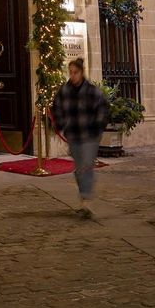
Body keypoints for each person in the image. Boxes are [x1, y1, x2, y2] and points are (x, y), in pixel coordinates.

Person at [50, 58, 108, 219]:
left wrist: (98, 126)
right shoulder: (64, 91)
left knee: (87, 165)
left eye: (75, 72)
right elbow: (56, 108)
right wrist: (61, 123)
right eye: (70, 73)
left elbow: (102, 108)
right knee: (79, 167)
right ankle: (84, 198)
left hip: (90, 135)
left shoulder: (92, 91)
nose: (73, 76)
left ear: (81, 73)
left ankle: (85, 200)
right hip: (74, 134)